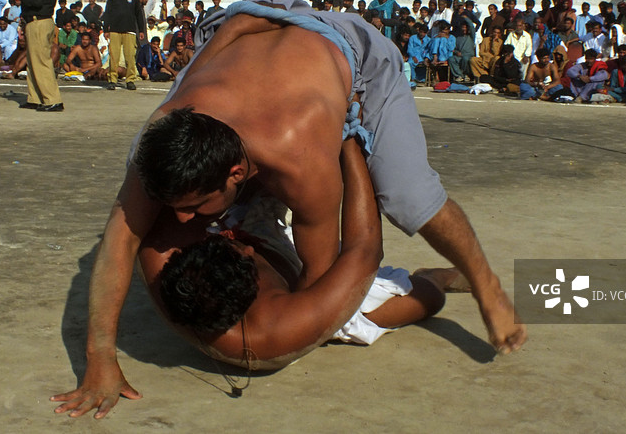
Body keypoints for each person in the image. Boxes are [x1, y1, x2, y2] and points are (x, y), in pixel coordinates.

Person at [51, 0, 526, 418]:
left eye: (193, 206)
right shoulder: (163, 133)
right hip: (249, 24)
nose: (177, 218)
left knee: (406, 195)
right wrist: (100, 359)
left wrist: (350, 138)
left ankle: (487, 286)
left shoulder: (303, 164)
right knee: (154, 194)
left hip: (347, 53)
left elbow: (338, 267)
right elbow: (122, 237)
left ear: (237, 172)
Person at [139, 135, 466, 369]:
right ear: (247, 254)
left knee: (264, 178)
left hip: (267, 246)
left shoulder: (187, 273)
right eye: (230, 241)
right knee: (428, 298)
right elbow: (363, 249)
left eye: (219, 239)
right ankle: (439, 277)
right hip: (315, 296)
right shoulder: (288, 322)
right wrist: (351, 144)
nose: (224, 234)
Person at [17, 0, 63, 111]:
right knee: (33, 61)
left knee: (41, 61)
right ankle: (35, 97)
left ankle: (52, 99)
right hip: (36, 22)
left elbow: (36, 1)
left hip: (39, 22)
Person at [102, 0, 145, 91]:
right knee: (114, 56)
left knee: (130, 56)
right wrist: (106, 29)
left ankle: (130, 80)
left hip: (130, 30)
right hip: (115, 30)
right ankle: (112, 80)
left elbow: (139, 15)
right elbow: (108, 13)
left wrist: (141, 30)